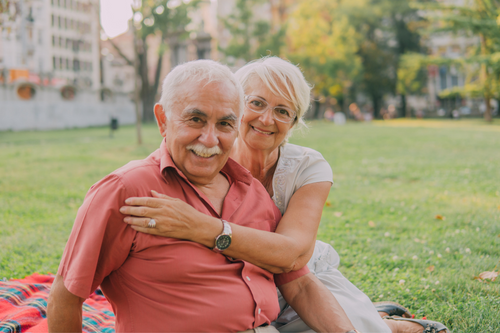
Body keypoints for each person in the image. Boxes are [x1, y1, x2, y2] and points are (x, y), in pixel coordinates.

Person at [122, 57, 450, 333]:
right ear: (235, 107)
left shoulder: (308, 167)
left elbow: (293, 257)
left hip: (294, 272)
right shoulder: (207, 153)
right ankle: (375, 316)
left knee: (346, 324)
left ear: (294, 122)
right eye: (256, 103)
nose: (267, 119)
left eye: (283, 111)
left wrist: (202, 228)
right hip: (234, 280)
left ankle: (389, 325)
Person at [47, 59, 357, 333]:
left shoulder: (251, 193)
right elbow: (66, 294)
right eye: (195, 119)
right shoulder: (127, 191)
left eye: (224, 124)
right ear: (163, 120)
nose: (209, 139)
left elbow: (299, 284)